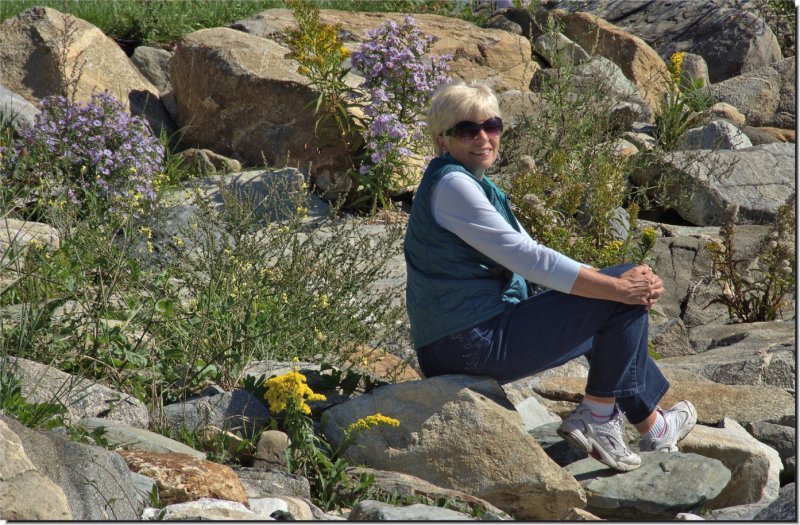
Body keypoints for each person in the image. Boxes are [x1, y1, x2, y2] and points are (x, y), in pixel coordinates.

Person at [404, 80, 697, 472]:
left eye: (491, 126)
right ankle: (598, 416)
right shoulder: (454, 185)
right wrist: (616, 286)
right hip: (467, 343)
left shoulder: (471, 184)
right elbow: (528, 259)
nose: (483, 138)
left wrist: (617, 282)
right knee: (614, 294)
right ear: (442, 140)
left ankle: (654, 426)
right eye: (466, 130)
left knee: (614, 290)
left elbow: (534, 252)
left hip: (462, 339)